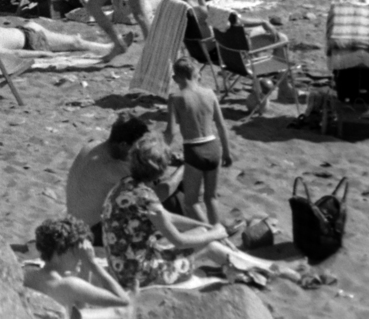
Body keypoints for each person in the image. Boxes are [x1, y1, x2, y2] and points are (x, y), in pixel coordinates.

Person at [102, 134, 321, 290]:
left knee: (204, 235)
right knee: (209, 244)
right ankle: (262, 270)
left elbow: (165, 218)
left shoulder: (127, 185)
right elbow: (177, 240)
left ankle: (247, 266)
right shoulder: (147, 199)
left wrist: (206, 227)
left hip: (123, 263)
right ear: (158, 170)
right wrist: (214, 234)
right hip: (137, 275)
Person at [164, 58, 232, 227]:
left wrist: (162, 152)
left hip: (194, 150)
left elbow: (171, 132)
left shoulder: (175, 98)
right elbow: (222, 125)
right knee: (211, 198)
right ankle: (219, 233)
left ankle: (211, 234)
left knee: (191, 202)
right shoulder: (210, 93)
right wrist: (227, 152)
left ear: (175, 78)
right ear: (196, 75)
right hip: (214, 147)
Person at [64, 115, 156, 235]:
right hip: (91, 231)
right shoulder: (111, 167)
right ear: (123, 144)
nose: (137, 152)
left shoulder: (92, 147)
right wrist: (182, 169)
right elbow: (154, 192)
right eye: (135, 148)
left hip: (75, 222)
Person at [22, 215, 130, 314]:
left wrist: (85, 267)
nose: (80, 255)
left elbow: (81, 306)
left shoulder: (27, 273)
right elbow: (123, 301)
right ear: (66, 250)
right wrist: (92, 263)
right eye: (78, 250)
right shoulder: (69, 285)